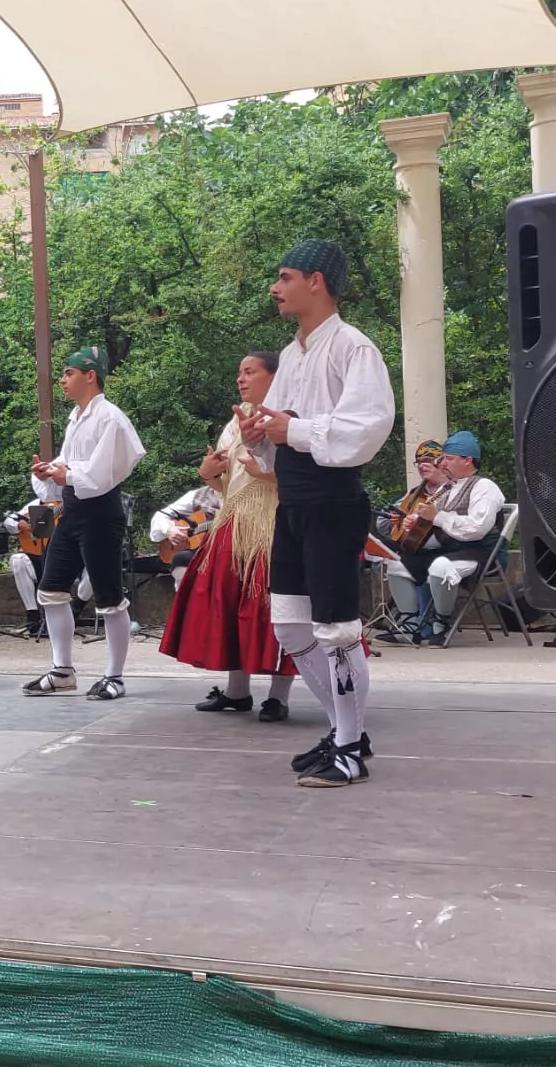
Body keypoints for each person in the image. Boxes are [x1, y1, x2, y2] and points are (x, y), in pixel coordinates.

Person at [238, 239, 395, 788]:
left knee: (336, 628)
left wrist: (293, 429)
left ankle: (349, 749)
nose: (275, 288)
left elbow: (367, 428)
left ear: (316, 281)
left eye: (285, 277)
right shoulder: (293, 354)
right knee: (288, 624)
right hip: (294, 502)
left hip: (332, 501)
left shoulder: (354, 347)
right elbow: (279, 432)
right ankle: (346, 731)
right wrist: (259, 435)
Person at [160, 350, 298, 722]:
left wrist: (263, 467)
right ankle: (237, 691)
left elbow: (298, 474)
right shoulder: (235, 423)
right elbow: (229, 484)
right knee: (228, 602)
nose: (241, 378)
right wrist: (208, 475)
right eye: (240, 372)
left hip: (272, 522)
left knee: (272, 607)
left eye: (250, 372)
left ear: (273, 377)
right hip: (233, 521)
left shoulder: (288, 418)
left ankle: (278, 696)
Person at [23, 347, 146, 700]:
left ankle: (114, 677)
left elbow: (104, 473)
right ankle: (62, 670)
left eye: (69, 373)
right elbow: (70, 464)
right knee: (50, 590)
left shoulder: (110, 417)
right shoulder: (77, 418)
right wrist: (50, 471)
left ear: (90, 375)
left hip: (101, 515)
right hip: (73, 513)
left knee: (109, 597)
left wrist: (67, 474)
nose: (62, 380)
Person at [383, 430, 504, 646]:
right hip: (449, 550)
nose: (442, 463)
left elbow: (477, 528)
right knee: (395, 562)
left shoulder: (484, 487)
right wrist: (413, 520)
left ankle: (441, 623)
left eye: (448, 458)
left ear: (467, 460)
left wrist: (437, 517)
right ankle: (409, 625)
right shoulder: (447, 487)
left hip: (480, 552)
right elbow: (428, 514)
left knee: (440, 567)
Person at [371, 439, 449, 639]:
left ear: (441, 462)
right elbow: (384, 524)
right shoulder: (415, 493)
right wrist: (396, 520)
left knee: (398, 558)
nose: (422, 465)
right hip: (417, 550)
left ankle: (430, 622)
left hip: (447, 551)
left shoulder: (451, 490)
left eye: (428, 460)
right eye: (419, 461)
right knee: (391, 556)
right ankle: (409, 623)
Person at [147, 483, 223, 589]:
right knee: (181, 559)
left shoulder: (245, 495)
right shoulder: (201, 495)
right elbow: (160, 516)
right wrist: (170, 530)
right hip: (207, 553)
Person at [3, 497, 50, 637]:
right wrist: (20, 525)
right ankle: (33, 616)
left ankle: (70, 612)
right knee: (18, 560)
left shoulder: (70, 501)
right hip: (36, 554)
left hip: (64, 556)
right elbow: (9, 521)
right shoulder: (37, 504)